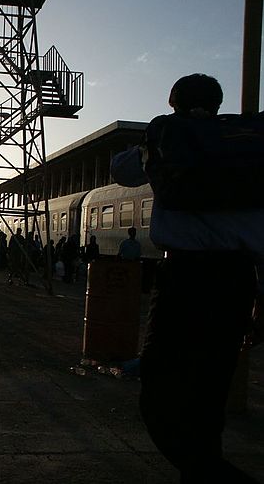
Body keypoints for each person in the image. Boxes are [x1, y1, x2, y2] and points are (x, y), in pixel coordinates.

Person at [111, 73, 262, 483]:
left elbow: (120, 170)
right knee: (210, 394)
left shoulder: (167, 139)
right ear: (217, 103)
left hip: (184, 278)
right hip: (236, 281)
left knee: (158, 393)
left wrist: (159, 137)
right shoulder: (248, 144)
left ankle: (210, 475)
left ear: (174, 103)